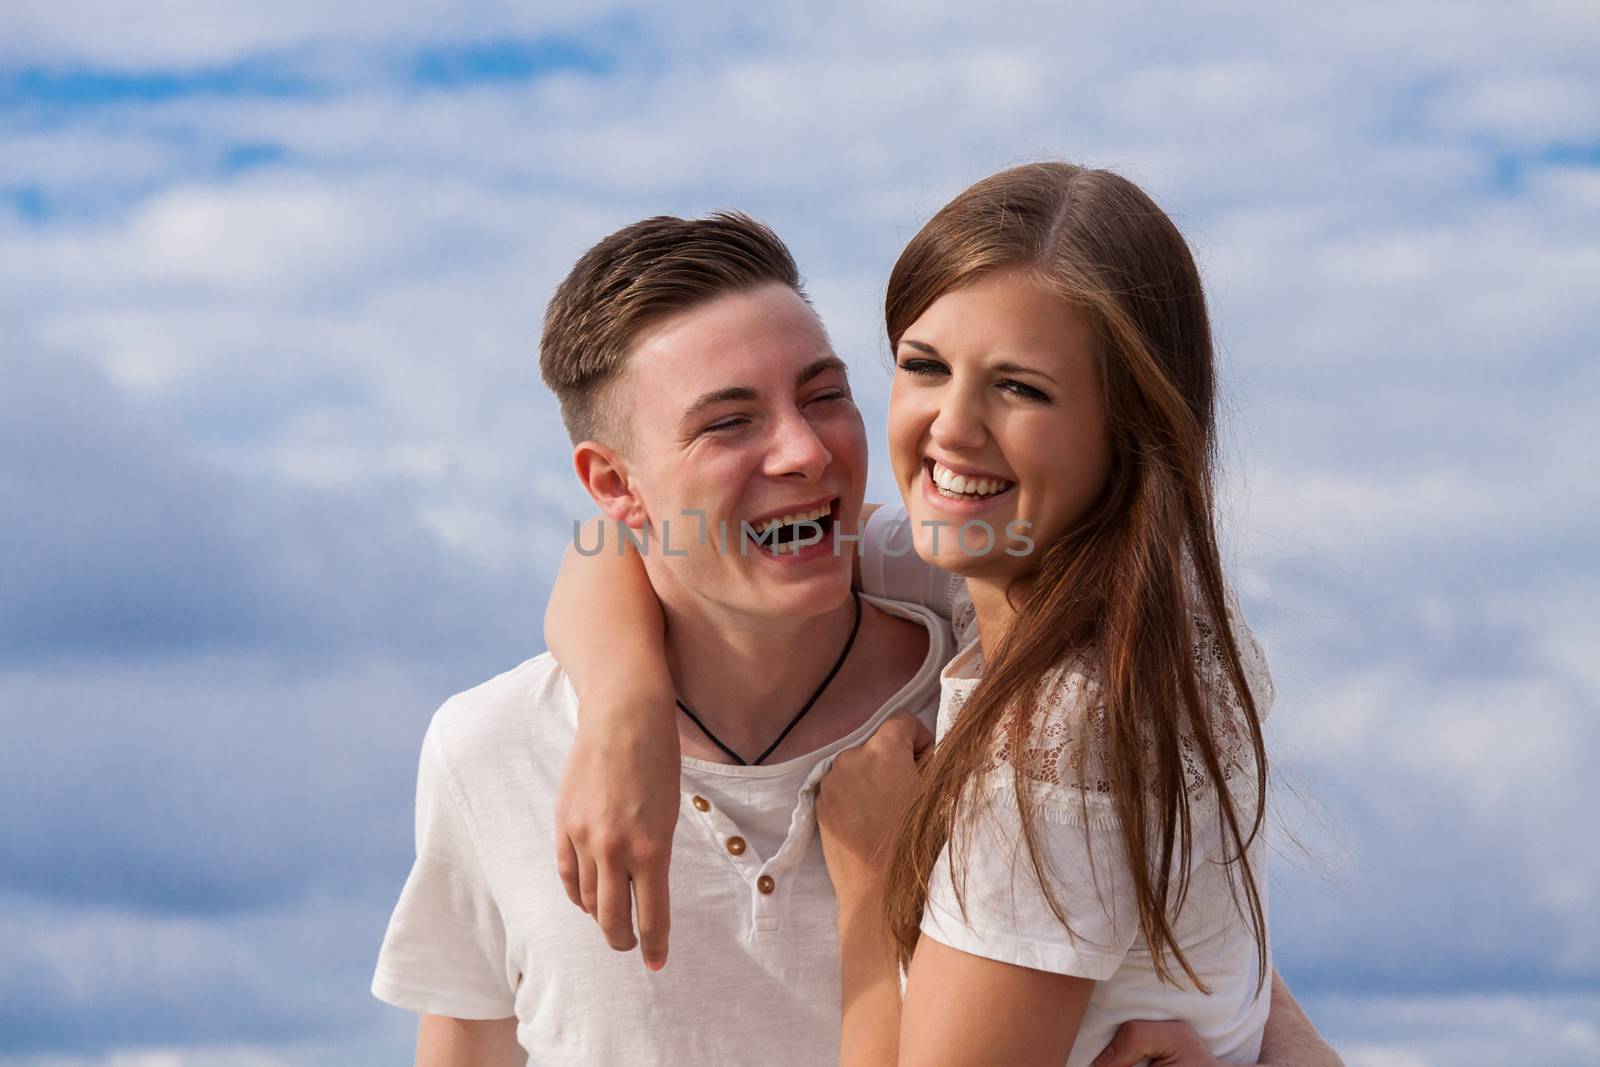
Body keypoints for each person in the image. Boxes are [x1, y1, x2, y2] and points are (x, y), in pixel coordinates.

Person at [552, 166, 1345, 1066]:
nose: (952, 428)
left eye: (1021, 388)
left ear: (1128, 427)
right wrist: (625, 707)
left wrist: (875, 878)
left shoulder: (1056, 743)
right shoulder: (1114, 611)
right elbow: (639, 535)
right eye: (924, 367)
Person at [372, 210, 951, 1065]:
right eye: (729, 422)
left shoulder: (987, 692)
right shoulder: (488, 749)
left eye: (825, 395)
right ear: (614, 482)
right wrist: (622, 701)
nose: (804, 451)